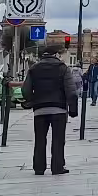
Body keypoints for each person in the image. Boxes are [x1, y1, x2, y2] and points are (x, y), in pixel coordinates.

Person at [25, 44, 79, 176]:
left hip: (39, 109)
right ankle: (57, 167)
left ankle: (39, 168)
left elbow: (25, 89)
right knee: (58, 139)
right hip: (58, 109)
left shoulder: (34, 68)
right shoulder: (63, 68)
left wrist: (31, 100)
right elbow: (71, 90)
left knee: (40, 139)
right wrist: (73, 109)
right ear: (56, 55)